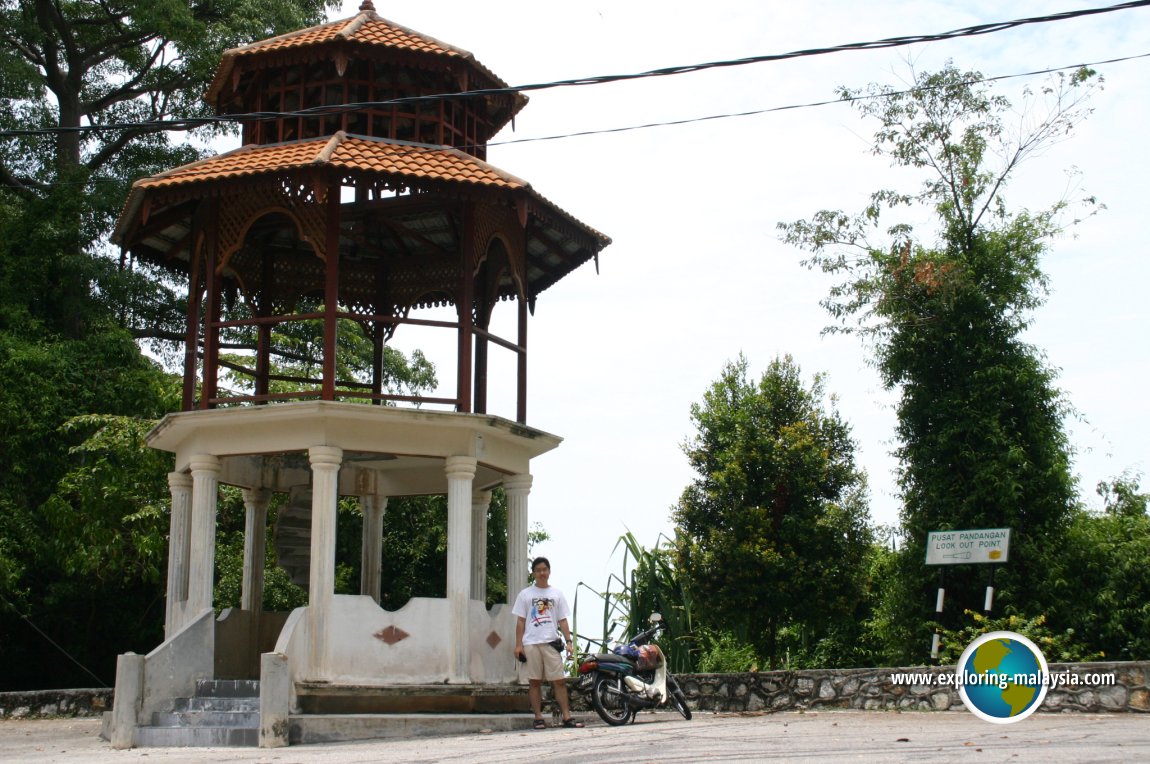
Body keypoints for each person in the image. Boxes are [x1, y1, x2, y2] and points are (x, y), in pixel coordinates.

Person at [512, 556, 585, 729]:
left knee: (559, 681)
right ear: (533, 573)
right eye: (538, 570)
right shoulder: (525, 594)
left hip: (551, 641)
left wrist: (569, 641)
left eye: (544, 569)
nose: (542, 573)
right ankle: (538, 717)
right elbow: (521, 621)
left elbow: (563, 620)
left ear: (549, 571)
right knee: (534, 681)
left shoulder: (556, 594)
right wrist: (518, 645)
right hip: (531, 642)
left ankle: (567, 716)